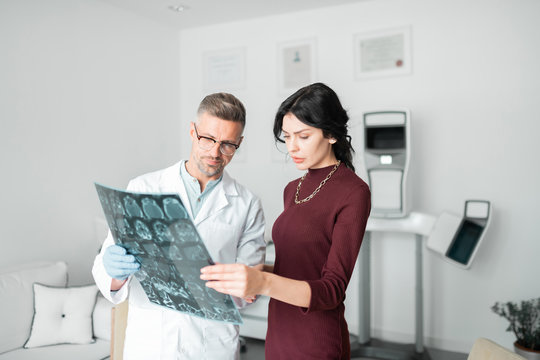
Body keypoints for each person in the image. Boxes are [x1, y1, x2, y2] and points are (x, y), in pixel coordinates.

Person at [200, 83, 371, 359]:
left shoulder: (354, 192)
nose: (292, 147)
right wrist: (253, 271)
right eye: (287, 136)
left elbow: (332, 290)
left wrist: (262, 282)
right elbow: (299, 264)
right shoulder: (293, 188)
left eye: (303, 136)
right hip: (279, 329)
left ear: (331, 134)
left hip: (317, 339)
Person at [92, 93, 266, 360]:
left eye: (227, 144)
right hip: (151, 343)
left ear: (239, 143)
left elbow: (247, 289)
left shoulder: (247, 204)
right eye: (208, 139)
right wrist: (113, 270)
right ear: (192, 131)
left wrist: (241, 284)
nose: (215, 153)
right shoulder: (143, 188)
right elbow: (108, 276)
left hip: (211, 345)